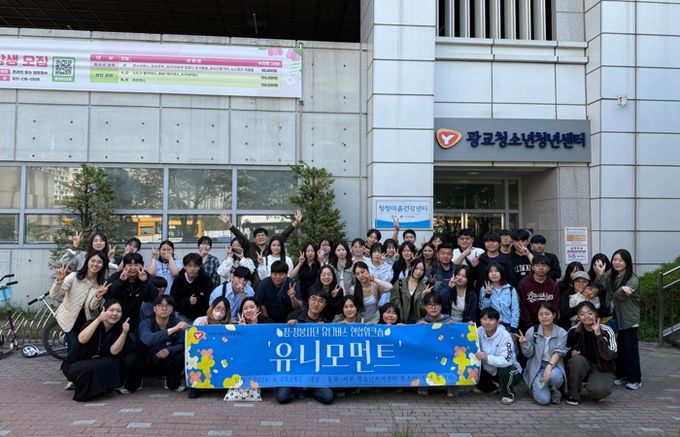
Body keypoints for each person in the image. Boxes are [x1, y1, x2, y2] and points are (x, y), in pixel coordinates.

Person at [61, 299, 130, 402]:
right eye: (111, 310)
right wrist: (98, 320)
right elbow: (82, 339)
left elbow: (114, 351)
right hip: (76, 363)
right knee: (89, 368)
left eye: (118, 311)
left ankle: (101, 389)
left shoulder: (118, 329)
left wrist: (124, 333)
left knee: (114, 362)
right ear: (104, 310)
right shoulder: (91, 323)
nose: (115, 314)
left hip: (98, 363)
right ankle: (84, 390)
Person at [277, 289, 334, 405]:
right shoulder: (294, 317)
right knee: (282, 397)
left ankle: (309, 390)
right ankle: (298, 388)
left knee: (328, 397)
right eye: (313, 299)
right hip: (294, 370)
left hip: (316, 372)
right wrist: (289, 328)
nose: (316, 304)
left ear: (325, 304)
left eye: (320, 301)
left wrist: (324, 335)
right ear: (308, 300)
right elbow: (282, 342)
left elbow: (331, 349)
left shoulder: (327, 324)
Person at [594, 249, 641, 390]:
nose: (617, 263)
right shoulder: (611, 274)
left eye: (620, 260)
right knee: (618, 348)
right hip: (615, 318)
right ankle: (622, 375)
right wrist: (600, 274)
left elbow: (618, 297)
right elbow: (600, 287)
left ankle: (635, 379)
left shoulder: (633, 279)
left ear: (627, 262)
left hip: (628, 319)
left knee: (629, 349)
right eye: (615, 259)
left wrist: (620, 291)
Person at [49, 251, 109, 358]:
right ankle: (70, 366)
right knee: (74, 348)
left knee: (85, 350)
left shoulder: (101, 283)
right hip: (69, 318)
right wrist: (59, 281)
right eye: (93, 261)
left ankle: (78, 366)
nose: (95, 264)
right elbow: (54, 295)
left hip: (87, 320)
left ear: (103, 265)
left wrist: (98, 296)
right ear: (87, 262)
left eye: (99, 262)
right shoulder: (74, 277)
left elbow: (92, 307)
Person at [565, 301, 617, 405]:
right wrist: (571, 353)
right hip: (582, 365)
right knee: (577, 360)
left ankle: (594, 385)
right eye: (582, 314)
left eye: (590, 313)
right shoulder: (573, 331)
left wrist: (598, 335)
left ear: (595, 314)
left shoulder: (607, 330)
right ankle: (573, 395)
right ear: (578, 316)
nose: (586, 316)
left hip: (602, 367)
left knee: (598, 392)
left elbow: (611, 355)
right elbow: (564, 349)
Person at [518, 303, 568, 405]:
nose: (544, 317)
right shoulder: (532, 331)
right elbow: (528, 355)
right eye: (540, 314)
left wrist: (549, 367)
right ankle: (537, 387)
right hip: (536, 367)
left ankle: (555, 391)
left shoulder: (561, 332)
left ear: (554, 315)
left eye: (547, 314)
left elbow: (558, 352)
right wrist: (524, 344)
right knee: (544, 400)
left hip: (553, 366)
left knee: (554, 376)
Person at [139, 295, 189, 393]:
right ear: (154, 308)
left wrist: (169, 350)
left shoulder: (177, 322)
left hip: (168, 360)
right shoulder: (146, 323)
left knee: (180, 355)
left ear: (172, 309)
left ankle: (172, 384)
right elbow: (148, 339)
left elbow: (183, 344)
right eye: (161, 306)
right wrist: (173, 330)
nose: (164, 308)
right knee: (133, 356)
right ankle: (136, 382)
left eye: (168, 306)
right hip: (149, 360)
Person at [475, 307, 523, 405]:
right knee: (473, 366)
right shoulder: (478, 331)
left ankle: (508, 394)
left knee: (504, 368)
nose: (487, 322)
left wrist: (487, 358)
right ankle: (494, 387)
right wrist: (465, 327)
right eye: (484, 319)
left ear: (497, 322)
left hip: (511, 371)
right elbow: (464, 338)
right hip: (490, 370)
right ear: (480, 320)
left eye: (491, 319)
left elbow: (507, 360)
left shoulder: (505, 335)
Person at [218, 210, 302, 265]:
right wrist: (228, 223)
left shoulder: (272, 247)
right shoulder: (249, 246)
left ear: (267, 238)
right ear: (254, 238)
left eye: (263, 235)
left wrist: (296, 222)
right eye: (258, 236)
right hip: (252, 278)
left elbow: (284, 234)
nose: (261, 237)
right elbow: (239, 234)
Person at [106, 252, 157, 334]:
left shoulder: (146, 276)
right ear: (124, 266)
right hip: (114, 317)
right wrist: (120, 281)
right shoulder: (116, 277)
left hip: (135, 319)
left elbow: (150, 298)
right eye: (129, 265)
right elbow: (109, 296)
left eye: (136, 265)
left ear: (142, 265)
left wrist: (144, 282)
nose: (133, 268)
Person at [518, 255, 560, 331]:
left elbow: (555, 307)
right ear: (532, 267)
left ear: (548, 268)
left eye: (544, 265)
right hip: (529, 324)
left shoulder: (554, 286)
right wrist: (529, 325)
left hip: (549, 324)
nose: (541, 268)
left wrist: (552, 324)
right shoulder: (523, 284)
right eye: (537, 265)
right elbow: (522, 307)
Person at [170, 252, 214, 322]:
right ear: (184, 267)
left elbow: (211, 301)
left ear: (199, 267)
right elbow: (173, 302)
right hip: (182, 315)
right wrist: (187, 301)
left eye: (195, 266)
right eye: (189, 266)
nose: (192, 269)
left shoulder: (206, 280)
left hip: (202, 316)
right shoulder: (178, 280)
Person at [480, 263, 520, 333]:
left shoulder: (510, 289)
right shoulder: (484, 289)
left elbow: (515, 309)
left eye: (496, 271)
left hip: (508, 326)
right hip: (491, 326)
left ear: (501, 273)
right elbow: (484, 309)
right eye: (491, 271)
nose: (494, 274)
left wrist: (513, 327)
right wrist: (487, 295)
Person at [390, 259, 430, 324]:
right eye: (416, 268)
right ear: (411, 268)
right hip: (400, 320)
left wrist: (422, 298)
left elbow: (425, 311)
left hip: (417, 321)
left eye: (422, 270)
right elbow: (393, 302)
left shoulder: (424, 287)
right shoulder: (400, 283)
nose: (419, 272)